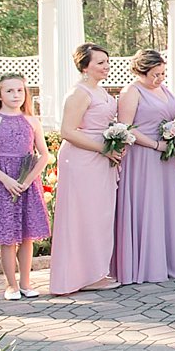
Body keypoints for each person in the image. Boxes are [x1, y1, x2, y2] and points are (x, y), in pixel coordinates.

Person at [112, 50, 175, 285]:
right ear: (142, 71)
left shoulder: (164, 89)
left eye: (162, 73)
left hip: (165, 156)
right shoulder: (131, 91)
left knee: (165, 205)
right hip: (142, 155)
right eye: (155, 74)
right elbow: (126, 126)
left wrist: (173, 135)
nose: (160, 78)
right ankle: (145, 264)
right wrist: (155, 144)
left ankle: (167, 260)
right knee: (146, 205)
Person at [49, 44, 122, 295]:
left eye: (106, 61)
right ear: (84, 66)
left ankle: (96, 270)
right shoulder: (78, 94)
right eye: (100, 62)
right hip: (81, 160)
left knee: (99, 216)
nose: (106, 66)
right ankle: (78, 275)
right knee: (82, 216)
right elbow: (67, 131)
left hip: (102, 159)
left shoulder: (101, 91)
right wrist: (102, 148)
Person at [0, 73, 50, 300]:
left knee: (27, 235)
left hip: (27, 182)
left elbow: (44, 155)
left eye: (19, 90)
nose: (16, 95)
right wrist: (6, 180)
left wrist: (27, 180)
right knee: (7, 237)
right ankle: (11, 285)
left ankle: (26, 282)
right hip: (3, 184)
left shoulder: (31, 121)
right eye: (9, 91)